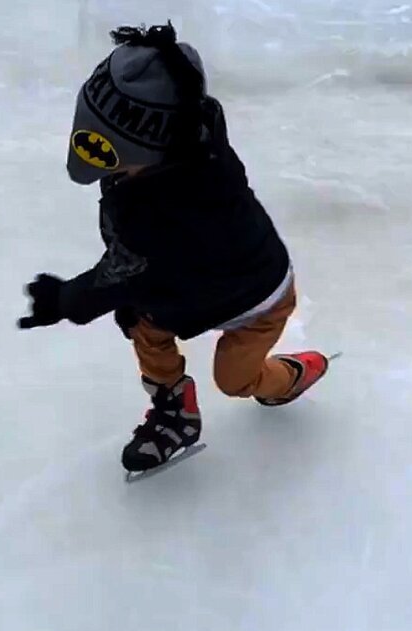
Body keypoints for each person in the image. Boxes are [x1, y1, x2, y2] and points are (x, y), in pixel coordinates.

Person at [18, 22, 328, 474]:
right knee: (143, 324)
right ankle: (175, 410)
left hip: (258, 299)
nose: (105, 165)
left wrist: (64, 300)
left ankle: (289, 376)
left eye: (112, 152)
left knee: (235, 380)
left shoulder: (183, 205)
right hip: (189, 287)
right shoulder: (176, 142)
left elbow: (120, 273)